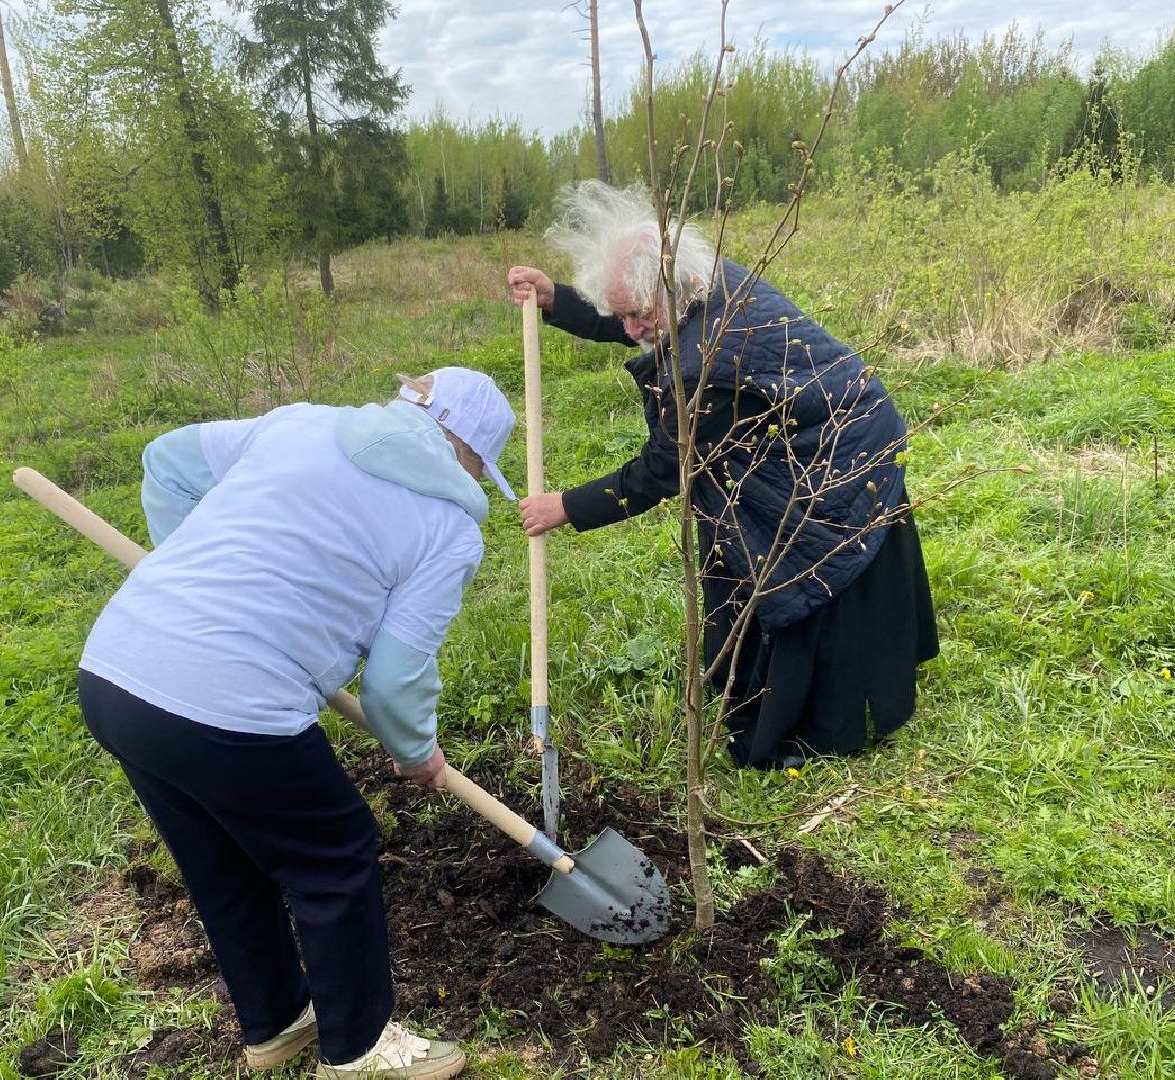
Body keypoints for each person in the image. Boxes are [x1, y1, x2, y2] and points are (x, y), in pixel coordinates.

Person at [76, 367, 516, 1079]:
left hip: (116, 673)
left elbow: (166, 461)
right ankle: (360, 1047)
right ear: (468, 455)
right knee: (335, 853)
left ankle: (277, 1024)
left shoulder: (298, 424)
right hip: (228, 704)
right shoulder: (448, 529)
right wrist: (417, 753)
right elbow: (395, 679)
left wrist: (199, 577)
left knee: (223, 861)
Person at [507, 181, 938, 771]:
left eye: (636, 313)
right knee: (741, 532)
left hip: (840, 447)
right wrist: (557, 299)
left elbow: (663, 470)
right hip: (814, 421)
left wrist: (568, 505)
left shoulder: (708, 358)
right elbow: (637, 318)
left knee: (796, 555)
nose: (630, 328)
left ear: (674, 291)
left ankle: (821, 710)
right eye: (621, 311)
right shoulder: (692, 278)